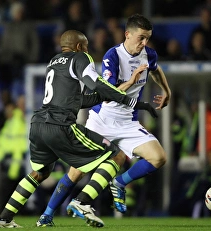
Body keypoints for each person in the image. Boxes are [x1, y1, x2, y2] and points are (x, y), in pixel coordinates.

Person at [0, 29, 156, 228]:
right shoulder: (80, 58)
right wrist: (132, 102)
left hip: (38, 124)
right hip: (60, 125)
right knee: (115, 155)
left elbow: (79, 100)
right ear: (79, 47)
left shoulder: (53, 61)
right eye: (86, 46)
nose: (88, 50)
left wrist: (124, 86)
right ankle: (83, 202)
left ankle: (3, 218)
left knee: (40, 173)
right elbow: (96, 84)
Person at [36, 13, 171, 227]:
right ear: (128, 34)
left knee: (158, 157)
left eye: (147, 38)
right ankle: (47, 214)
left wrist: (166, 90)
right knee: (76, 171)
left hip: (128, 122)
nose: (144, 43)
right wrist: (131, 80)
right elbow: (107, 92)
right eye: (141, 38)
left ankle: (118, 183)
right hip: (102, 119)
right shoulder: (113, 55)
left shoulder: (149, 54)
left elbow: (156, 69)